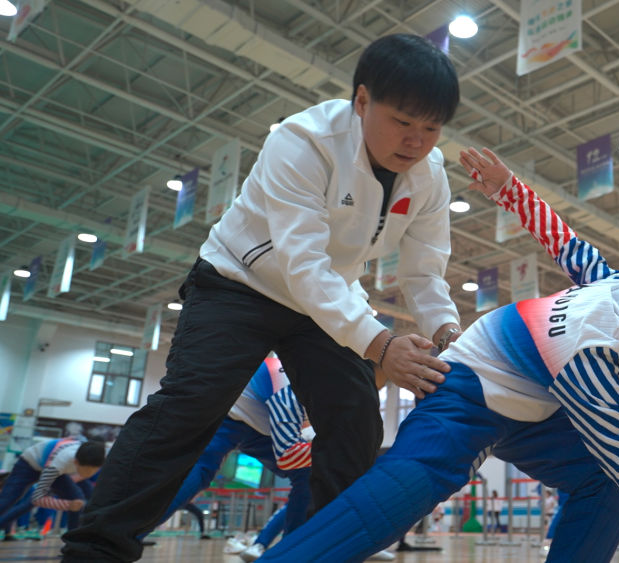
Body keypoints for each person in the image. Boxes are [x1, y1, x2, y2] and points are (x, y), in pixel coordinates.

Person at [61, 33, 464, 562]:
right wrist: (382, 344)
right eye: (403, 122)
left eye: (431, 128)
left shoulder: (429, 175)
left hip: (327, 298)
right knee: (189, 407)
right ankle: (95, 550)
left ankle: (325, 552)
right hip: (240, 283)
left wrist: (448, 333)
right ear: (362, 101)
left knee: (356, 419)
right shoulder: (303, 141)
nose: (416, 141)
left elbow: (424, 271)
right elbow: (302, 263)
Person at [255, 146, 619, 562]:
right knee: (392, 505)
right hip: (467, 392)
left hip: (540, 406)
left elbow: (565, 243)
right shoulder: (594, 358)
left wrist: (509, 189)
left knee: (605, 483)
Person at [149, 358, 312, 561]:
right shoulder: (289, 376)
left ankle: (283, 549)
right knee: (199, 469)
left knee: (308, 477)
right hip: (239, 412)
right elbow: (289, 453)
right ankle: (284, 551)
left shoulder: (298, 374)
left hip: (248, 415)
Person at [0, 439, 104, 536]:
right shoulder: (59, 463)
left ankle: (73, 541)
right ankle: (5, 528)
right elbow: (36, 498)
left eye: (93, 470)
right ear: (76, 462)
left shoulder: (97, 459)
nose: (89, 474)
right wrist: (68, 505)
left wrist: (74, 503)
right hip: (29, 463)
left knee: (77, 500)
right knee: (9, 498)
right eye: (86, 470)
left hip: (55, 466)